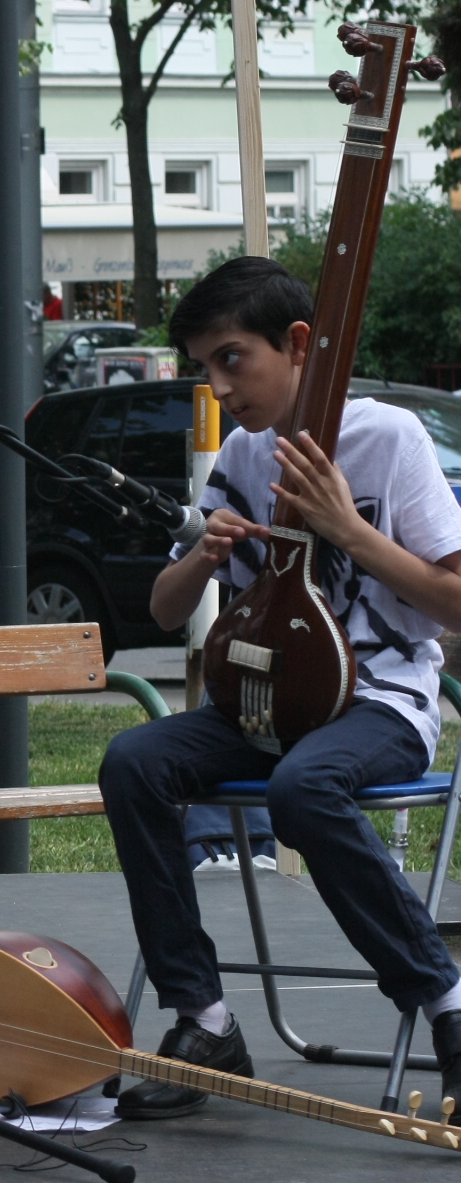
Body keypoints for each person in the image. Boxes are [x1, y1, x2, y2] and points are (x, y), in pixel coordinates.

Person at [99, 256, 461, 1118]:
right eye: (204, 368)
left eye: (233, 359)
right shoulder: (243, 454)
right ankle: (206, 1016)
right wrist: (203, 555)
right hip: (268, 703)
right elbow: (161, 607)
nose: (220, 387)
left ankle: (447, 1005)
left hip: (383, 702)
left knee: (304, 788)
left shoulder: (390, 439)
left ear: (298, 345)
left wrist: (350, 532)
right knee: (134, 763)